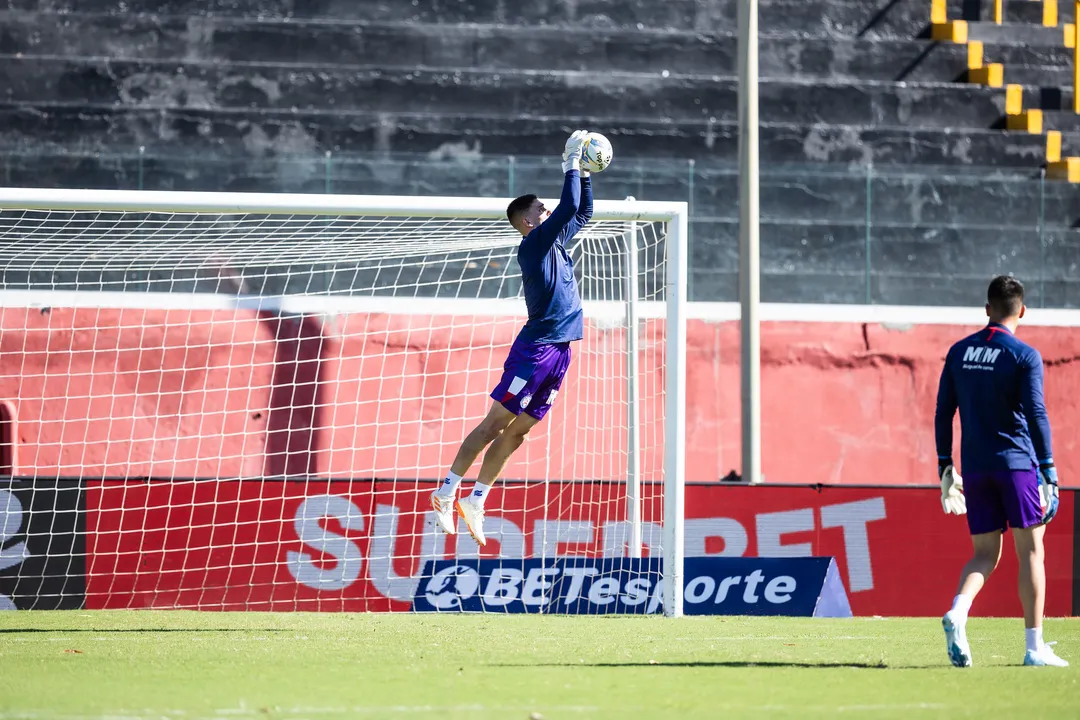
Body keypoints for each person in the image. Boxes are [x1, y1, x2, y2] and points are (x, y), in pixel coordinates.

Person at [429, 130, 595, 546]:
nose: (549, 210)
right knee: (493, 425)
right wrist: (571, 163)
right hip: (535, 350)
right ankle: (446, 491)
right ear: (528, 221)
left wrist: (587, 173)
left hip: (559, 352)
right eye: (542, 208)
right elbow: (570, 205)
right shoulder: (535, 245)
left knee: (520, 431)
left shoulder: (553, 239)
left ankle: (477, 499)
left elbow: (583, 212)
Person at [935, 275, 1066, 667]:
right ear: (1021, 310)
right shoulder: (1023, 355)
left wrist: (945, 465)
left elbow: (943, 412)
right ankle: (1033, 647)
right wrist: (1049, 470)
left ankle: (958, 611)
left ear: (987, 308)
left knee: (983, 554)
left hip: (975, 467)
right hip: (1017, 464)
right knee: (1031, 552)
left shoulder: (959, 352)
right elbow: (1036, 413)